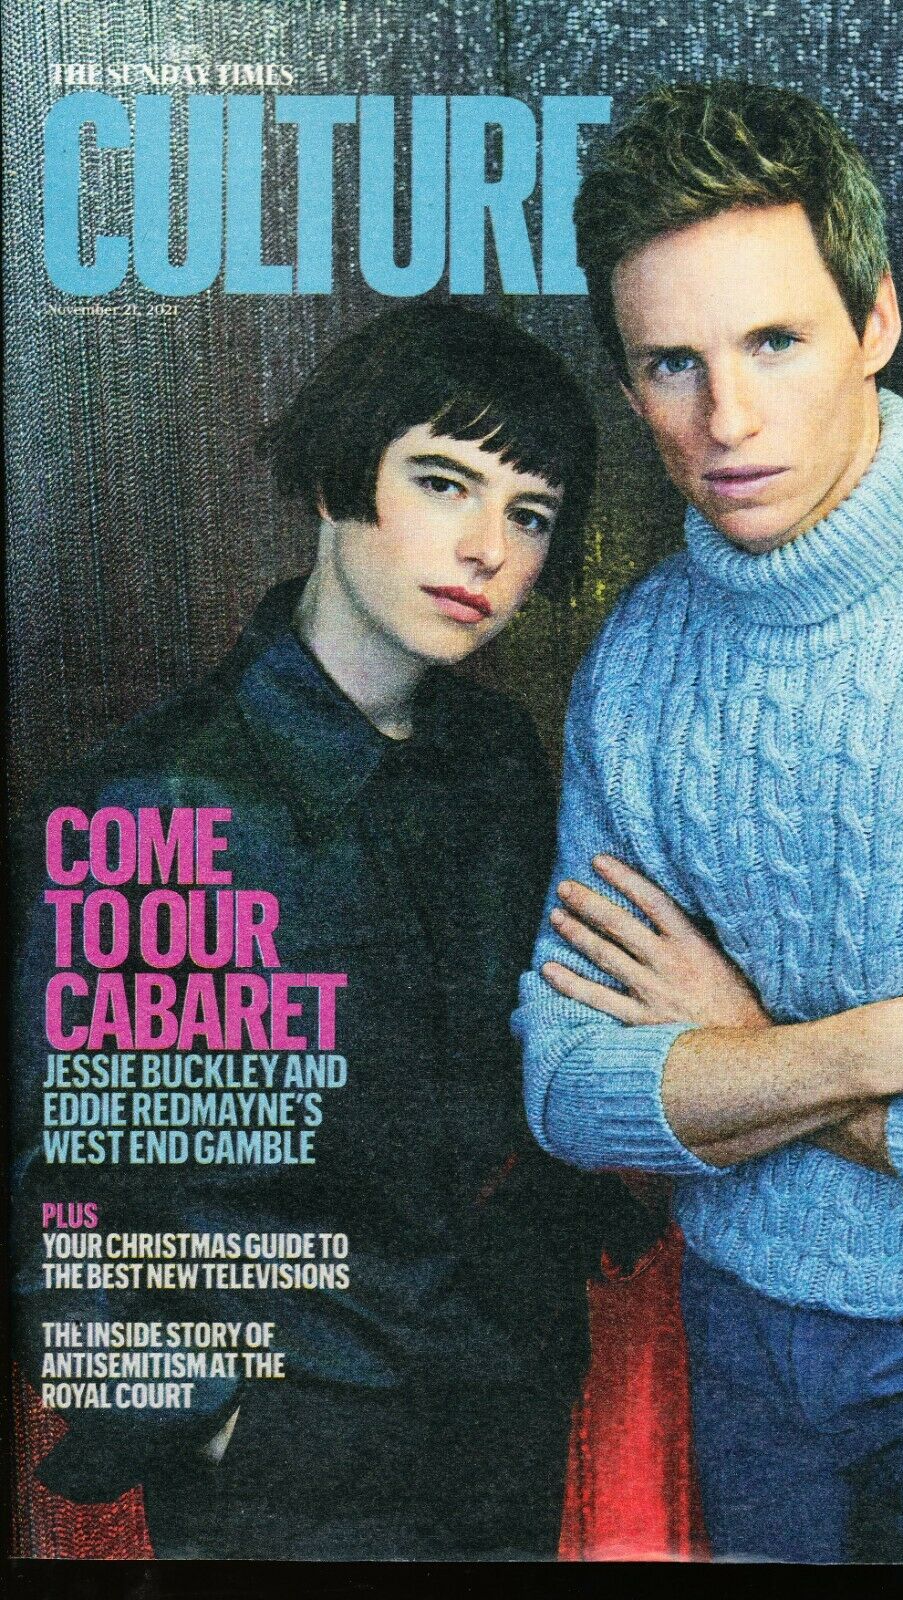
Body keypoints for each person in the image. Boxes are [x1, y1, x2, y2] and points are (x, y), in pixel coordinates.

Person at [515, 81, 903, 1563]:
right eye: (671, 363)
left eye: (774, 342)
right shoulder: (638, 664)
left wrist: (731, 1050)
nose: (724, 420)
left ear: (875, 323)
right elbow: (568, 1087)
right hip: (738, 1347)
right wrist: (867, 1047)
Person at [11, 303, 659, 1561]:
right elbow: (57, 1201)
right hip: (286, 1459)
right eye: (442, 482)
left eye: (529, 513)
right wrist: (215, 1426)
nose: (485, 547)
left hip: (507, 1414)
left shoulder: (498, 760)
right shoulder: (151, 800)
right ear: (334, 476)